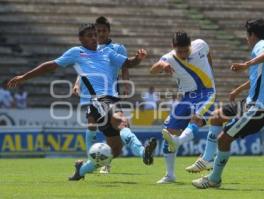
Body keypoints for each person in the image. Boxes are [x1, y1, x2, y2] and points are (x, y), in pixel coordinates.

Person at [7, 24, 157, 181]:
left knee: (115, 149)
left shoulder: (107, 51)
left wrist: (138, 58)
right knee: (121, 121)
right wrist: (24, 77)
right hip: (98, 98)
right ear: (81, 39)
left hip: (109, 97)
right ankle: (143, 152)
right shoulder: (76, 52)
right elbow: (50, 66)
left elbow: (128, 63)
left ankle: (82, 170)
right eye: (90, 35)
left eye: (95, 35)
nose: (94, 38)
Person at [192, 18, 264, 189]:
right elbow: (259, 77)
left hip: (258, 108)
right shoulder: (261, 50)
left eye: (247, 35)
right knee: (216, 117)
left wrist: (246, 64)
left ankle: (214, 179)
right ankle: (207, 159)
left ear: (252, 35)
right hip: (248, 102)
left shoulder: (263, 45)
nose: (246, 39)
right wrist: (239, 89)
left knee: (223, 139)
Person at [72, 16, 147, 175]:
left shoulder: (117, 48)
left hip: (111, 91)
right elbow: (84, 69)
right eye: (98, 31)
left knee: (114, 126)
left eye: (103, 31)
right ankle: (93, 160)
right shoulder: (90, 49)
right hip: (93, 93)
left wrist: (127, 83)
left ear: (109, 31)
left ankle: (101, 161)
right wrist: (77, 84)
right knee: (96, 125)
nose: (100, 34)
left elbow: (125, 66)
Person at [150, 31, 216, 184]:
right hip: (186, 97)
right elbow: (152, 70)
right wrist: (162, 65)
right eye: (180, 51)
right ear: (173, 47)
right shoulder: (169, 58)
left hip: (206, 92)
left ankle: (178, 142)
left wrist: (211, 73)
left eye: (186, 50)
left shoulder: (200, 44)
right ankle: (170, 175)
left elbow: (208, 53)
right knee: (168, 132)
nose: (184, 54)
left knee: (197, 119)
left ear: (190, 45)